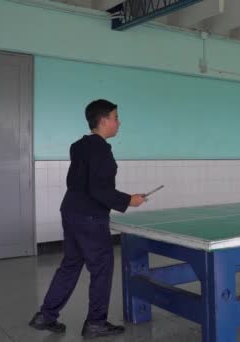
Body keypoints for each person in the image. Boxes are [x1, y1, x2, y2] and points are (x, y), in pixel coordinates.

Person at [29, 99, 146, 339]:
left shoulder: (79, 146)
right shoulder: (101, 149)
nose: (118, 122)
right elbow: (99, 190)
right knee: (102, 267)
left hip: (71, 211)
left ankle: (46, 315)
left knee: (71, 265)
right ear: (103, 121)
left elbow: (79, 183)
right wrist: (128, 200)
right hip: (90, 217)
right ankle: (95, 322)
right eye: (115, 117)